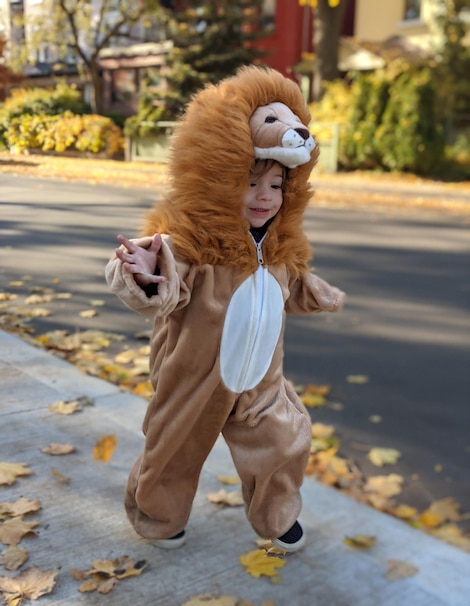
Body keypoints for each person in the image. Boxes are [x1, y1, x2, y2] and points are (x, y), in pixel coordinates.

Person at [106, 66, 344, 553]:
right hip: (194, 376)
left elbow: (283, 287)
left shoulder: (277, 248)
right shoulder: (193, 244)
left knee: (284, 441)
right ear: (220, 178)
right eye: (250, 183)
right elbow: (162, 278)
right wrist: (145, 270)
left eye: (277, 186)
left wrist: (315, 292)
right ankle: (159, 514)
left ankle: (277, 516)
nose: (263, 197)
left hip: (260, 377)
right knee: (173, 447)